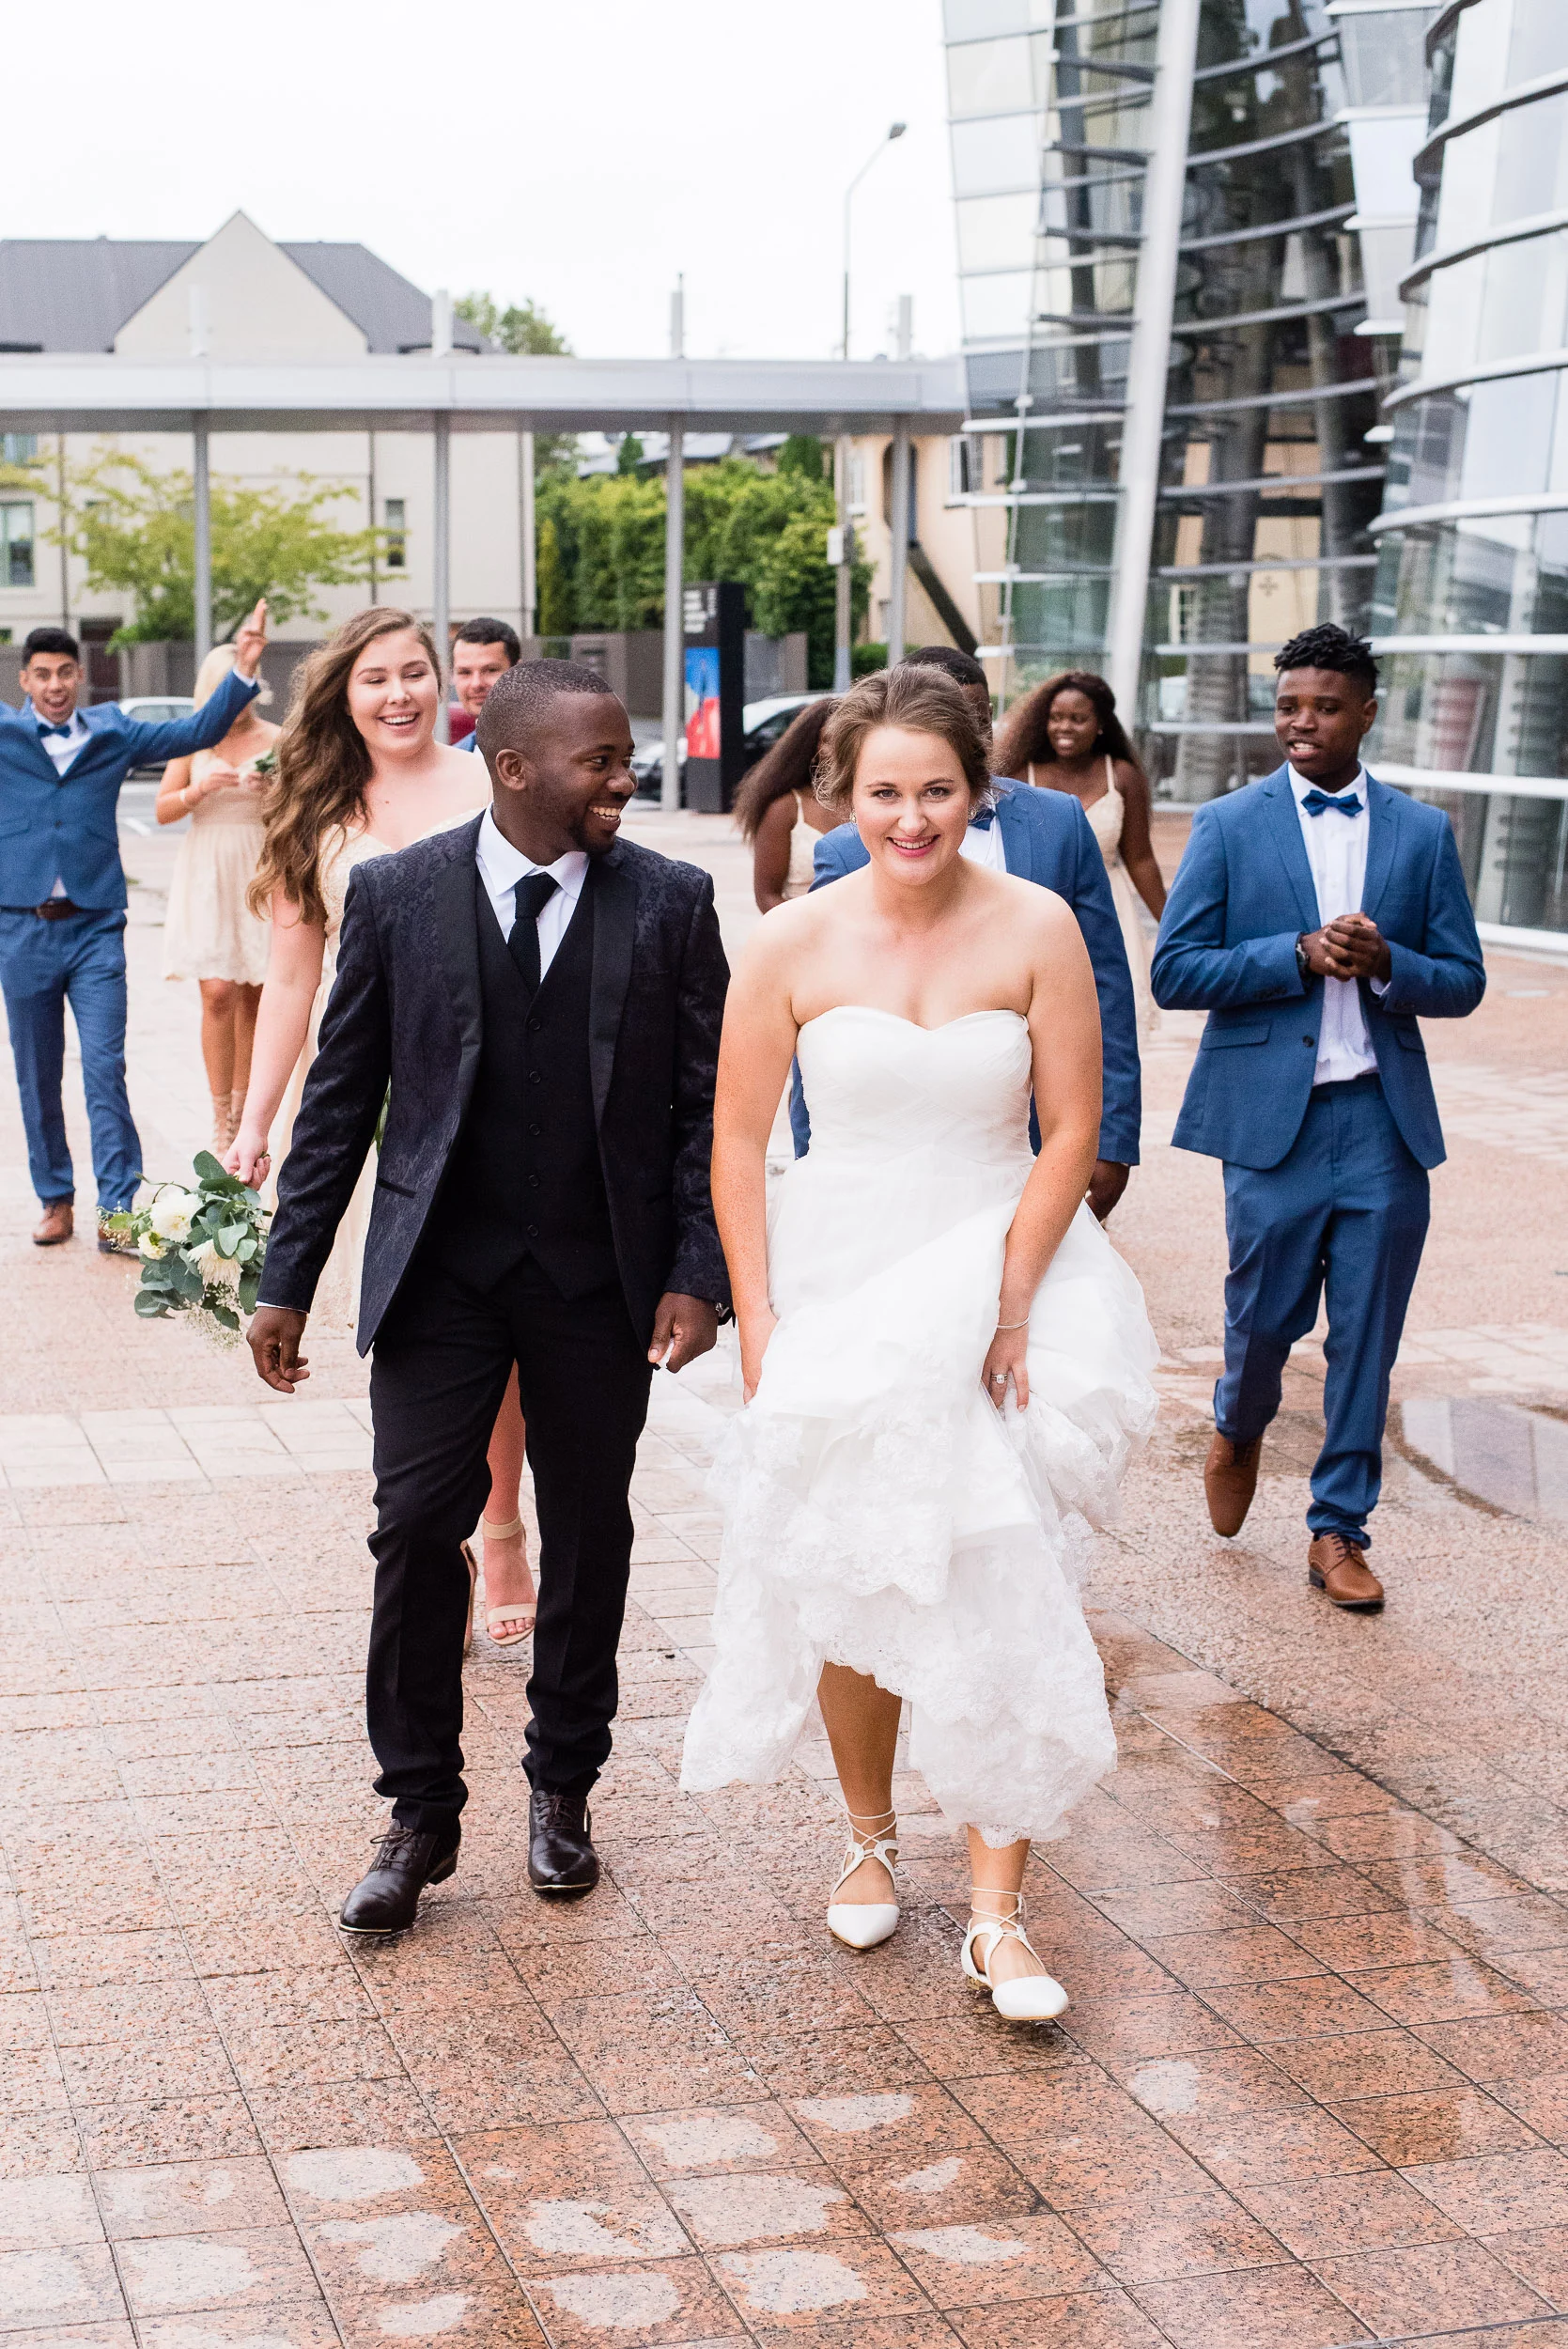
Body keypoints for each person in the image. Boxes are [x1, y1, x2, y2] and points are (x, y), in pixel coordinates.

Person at [682, 664, 1157, 2021]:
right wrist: (760, 1316)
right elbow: (733, 1138)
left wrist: (1011, 1300)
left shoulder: (1038, 923)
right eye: (884, 793)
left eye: (935, 790)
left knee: (1004, 1564)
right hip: (840, 1273)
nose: (911, 817)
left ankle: (1000, 1913)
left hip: (1008, 1266)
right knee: (855, 1567)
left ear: (974, 790)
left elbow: (1071, 1125)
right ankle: (870, 1836)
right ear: (842, 798)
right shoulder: (788, 940)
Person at [245, 660, 730, 1934]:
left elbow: (704, 1114)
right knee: (414, 1527)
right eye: (603, 763)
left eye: (626, 758)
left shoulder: (673, 902)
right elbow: (340, 1103)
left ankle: (562, 1790)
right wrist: (285, 1275)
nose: (626, 780)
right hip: (442, 1275)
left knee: (588, 1533)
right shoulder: (397, 895)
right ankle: (416, 1813)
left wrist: (699, 1271)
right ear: (515, 769)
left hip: (597, 1277)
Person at [1151, 623, 1486, 1610]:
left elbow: (1462, 981)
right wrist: (1293, 952)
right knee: (1261, 1324)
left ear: (1365, 713)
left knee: (1366, 1339)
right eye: (1289, 703)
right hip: (1270, 1123)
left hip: (1382, 1118)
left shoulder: (1422, 834)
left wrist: (1390, 965)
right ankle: (1237, 1419)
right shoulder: (1225, 824)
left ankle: (1337, 1529)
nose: (1302, 721)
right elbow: (1174, 972)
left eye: (1324, 706)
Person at [226, 608, 536, 1649]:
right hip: (375, 1104)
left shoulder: (492, 780)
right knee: (417, 1323)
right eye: (376, 679)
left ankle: (500, 1525)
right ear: (342, 695)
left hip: (494, 1089)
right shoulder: (312, 808)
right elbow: (289, 977)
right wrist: (255, 1122)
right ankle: (438, 1523)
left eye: (414, 674)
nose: (399, 694)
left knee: (500, 1326)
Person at [797, 645, 1141, 1222]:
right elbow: (819, 1023)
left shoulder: (1059, 824)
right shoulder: (844, 851)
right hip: (886, 1153)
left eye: (976, 716)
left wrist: (1113, 1137)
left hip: (1035, 1134)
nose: (965, 733)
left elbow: (1106, 984)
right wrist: (817, 1152)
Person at [1, 605, 268, 1252]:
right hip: (22, 931)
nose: (57, 684)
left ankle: (117, 1210)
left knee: (103, 1066)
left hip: (95, 927)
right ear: (26, 684)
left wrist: (244, 664)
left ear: (80, 678)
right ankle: (55, 1198)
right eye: (44, 675)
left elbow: (198, 727)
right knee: (37, 1073)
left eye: (67, 672)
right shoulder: (5, 739)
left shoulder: (114, 731)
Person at [995, 670, 1165, 1034]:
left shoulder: (1121, 775)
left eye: (1078, 718)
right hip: (1040, 907)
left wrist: (1173, 926)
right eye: (1055, 718)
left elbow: (1140, 859)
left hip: (1111, 909)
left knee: (1111, 1024)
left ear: (1101, 724)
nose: (1064, 727)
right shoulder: (1021, 776)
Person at [157, 645, 277, 1155]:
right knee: (218, 991)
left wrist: (272, 788)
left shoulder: (278, 739)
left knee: (255, 992)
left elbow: (301, 809)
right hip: (208, 868)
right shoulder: (193, 739)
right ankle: (219, 1115)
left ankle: (246, 1114)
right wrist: (198, 789)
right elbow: (163, 810)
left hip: (259, 865)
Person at [733, 700, 837, 910]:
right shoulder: (785, 809)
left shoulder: (874, 801)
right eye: (829, 740)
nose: (839, 749)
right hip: (803, 934)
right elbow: (767, 896)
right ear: (810, 747)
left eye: (848, 739)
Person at [451, 617, 521, 752]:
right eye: (465, 672)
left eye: (491, 670)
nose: (476, 684)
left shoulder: (556, 748)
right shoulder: (454, 762)